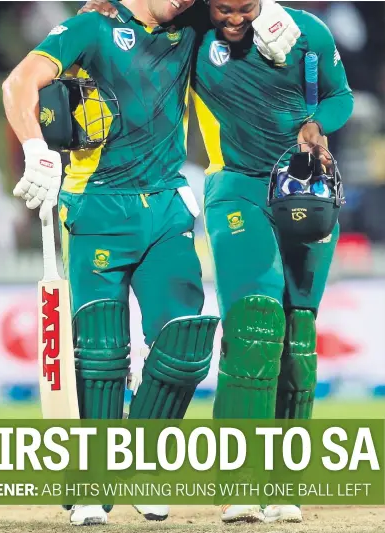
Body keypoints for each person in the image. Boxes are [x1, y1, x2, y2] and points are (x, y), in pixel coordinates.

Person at [3, 0, 302, 526]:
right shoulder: (91, 27)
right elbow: (18, 83)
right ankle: (92, 484)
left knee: (186, 340)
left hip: (166, 203)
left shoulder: (188, 20)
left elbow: (236, 7)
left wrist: (273, 10)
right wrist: (35, 148)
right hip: (97, 204)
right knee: (99, 352)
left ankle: (135, 466)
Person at [82, 0, 353, 525]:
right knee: (254, 318)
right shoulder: (191, 27)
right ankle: (238, 484)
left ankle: (284, 485)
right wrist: (110, 7)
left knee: (299, 337)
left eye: (244, 9)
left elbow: (340, 96)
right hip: (236, 188)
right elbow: (138, 19)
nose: (233, 20)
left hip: (307, 190)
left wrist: (318, 124)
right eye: (223, 9)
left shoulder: (307, 33)